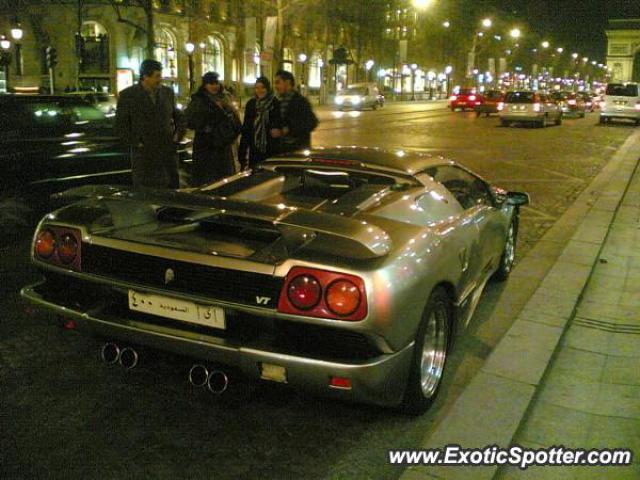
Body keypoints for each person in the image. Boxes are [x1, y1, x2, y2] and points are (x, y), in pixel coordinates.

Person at [115, 59, 185, 189]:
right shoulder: (128, 95)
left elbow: (179, 117)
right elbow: (121, 124)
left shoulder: (167, 93)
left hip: (166, 152)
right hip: (144, 155)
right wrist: (136, 143)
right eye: (157, 76)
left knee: (170, 192)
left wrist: (177, 137)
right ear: (145, 77)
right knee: (147, 192)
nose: (160, 79)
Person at [185, 72, 241, 186]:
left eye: (216, 83)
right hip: (206, 146)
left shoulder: (224, 98)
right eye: (211, 83)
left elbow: (235, 120)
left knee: (223, 180)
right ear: (205, 85)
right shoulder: (198, 100)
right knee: (207, 179)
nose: (214, 86)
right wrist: (205, 127)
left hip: (223, 145)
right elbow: (189, 120)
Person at [238, 77, 283, 169]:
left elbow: (279, 124)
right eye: (257, 88)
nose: (260, 90)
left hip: (271, 148)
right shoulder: (251, 104)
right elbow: (246, 128)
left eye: (263, 87)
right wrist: (242, 151)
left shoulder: (275, 103)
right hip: (254, 148)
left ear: (268, 89)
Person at [274, 70, 319, 153]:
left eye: (278, 82)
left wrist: (289, 129)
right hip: (281, 150)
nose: (275, 86)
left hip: (297, 150)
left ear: (287, 82)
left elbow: (312, 123)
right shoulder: (277, 101)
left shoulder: (301, 101)